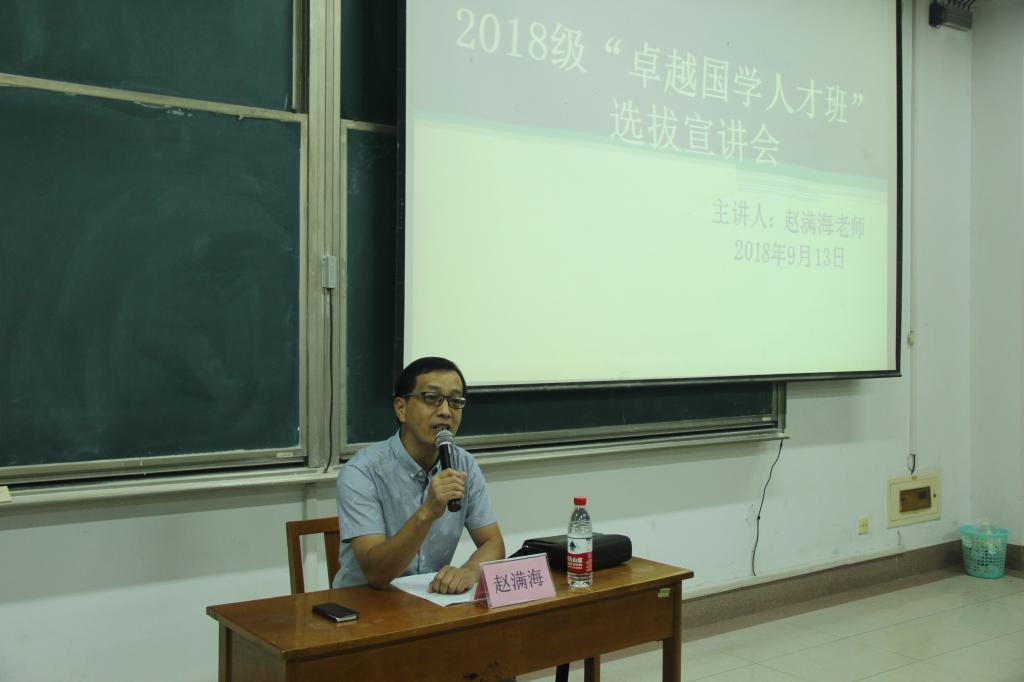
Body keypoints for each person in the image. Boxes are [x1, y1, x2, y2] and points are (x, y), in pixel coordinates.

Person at [333, 356, 505, 593]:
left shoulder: (463, 464)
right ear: (401, 409)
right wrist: (427, 512)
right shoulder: (362, 471)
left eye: (455, 401)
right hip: (365, 604)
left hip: (429, 601)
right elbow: (376, 574)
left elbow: (493, 542)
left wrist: (469, 571)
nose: (445, 412)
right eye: (432, 398)